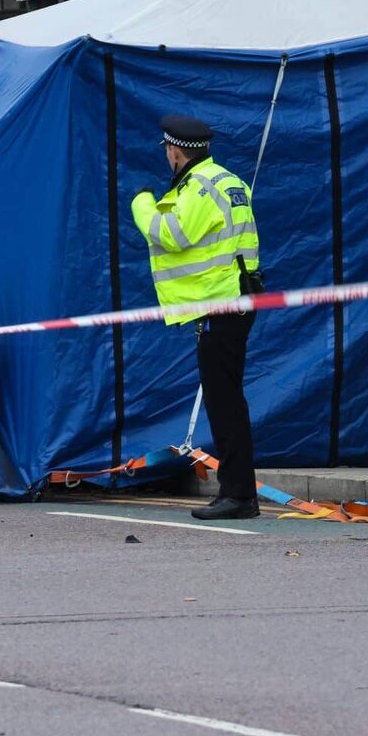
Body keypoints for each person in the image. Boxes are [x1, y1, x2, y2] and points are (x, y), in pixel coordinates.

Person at [131, 113, 262, 520]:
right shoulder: (228, 180)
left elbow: (171, 234)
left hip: (220, 304)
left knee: (225, 405)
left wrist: (141, 203)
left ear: (175, 152)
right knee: (228, 401)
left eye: (168, 150)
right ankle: (238, 493)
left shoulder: (200, 187)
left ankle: (238, 496)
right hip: (234, 301)